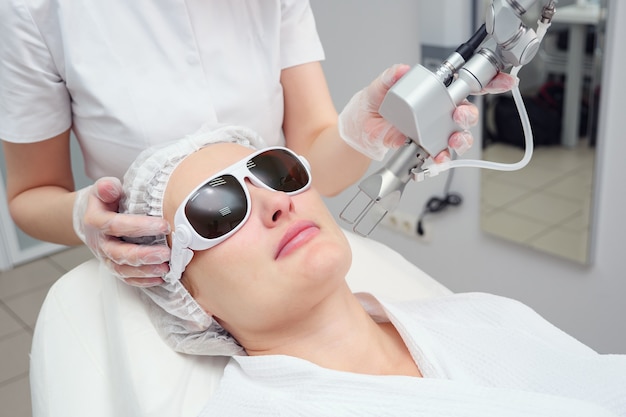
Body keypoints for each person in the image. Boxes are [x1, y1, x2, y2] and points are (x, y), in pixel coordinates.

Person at [120, 125, 625, 417]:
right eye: (217, 210)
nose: (277, 202)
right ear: (187, 299)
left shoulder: (487, 314)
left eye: (276, 171)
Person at [0, 1, 515, 286]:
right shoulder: (36, 12)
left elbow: (314, 163)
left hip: (280, 266)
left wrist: (365, 128)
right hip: (159, 275)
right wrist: (85, 219)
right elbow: (30, 195)